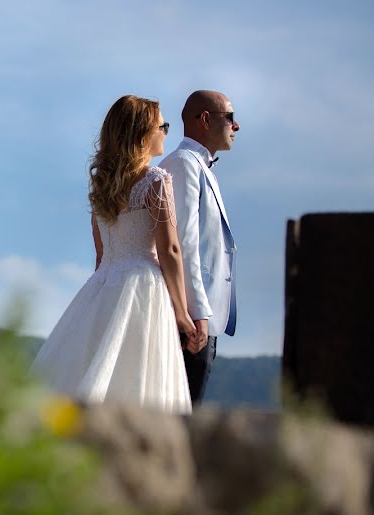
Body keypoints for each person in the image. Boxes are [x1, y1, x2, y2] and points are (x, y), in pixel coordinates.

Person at [32, 95, 196, 414]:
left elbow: (101, 254)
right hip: (144, 287)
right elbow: (171, 250)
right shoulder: (156, 181)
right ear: (142, 133)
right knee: (142, 374)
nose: (166, 131)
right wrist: (181, 310)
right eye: (162, 125)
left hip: (104, 284)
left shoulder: (101, 187)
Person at [158, 90, 240, 405]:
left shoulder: (199, 166)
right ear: (205, 119)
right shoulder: (182, 164)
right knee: (183, 413)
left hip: (201, 317)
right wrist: (197, 312)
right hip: (192, 319)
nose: (237, 126)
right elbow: (183, 243)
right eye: (230, 117)